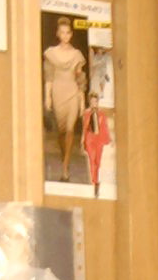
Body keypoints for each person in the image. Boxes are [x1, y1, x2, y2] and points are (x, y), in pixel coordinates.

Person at [43, 17, 85, 182]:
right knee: (61, 131)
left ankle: (65, 168)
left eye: (68, 33)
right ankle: (64, 156)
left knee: (69, 130)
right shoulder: (51, 53)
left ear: (71, 34)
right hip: (58, 92)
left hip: (72, 92)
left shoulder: (77, 55)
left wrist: (82, 101)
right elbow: (49, 77)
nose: (65, 35)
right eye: (62, 32)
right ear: (58, 34)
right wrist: (47, 96)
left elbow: (80, 78)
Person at [82, 90, 111, 196]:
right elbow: (84, 128)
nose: (93, 103)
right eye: (92, 101)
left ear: (97, 102)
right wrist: (83, 140)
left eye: (95, 101)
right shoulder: (86, 113)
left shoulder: (102, 114)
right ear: (89, 102)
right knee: (92, 160)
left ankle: (96, 180)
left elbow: (105, 126)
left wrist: (107, 139)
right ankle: (95, 182)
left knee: (97, 162)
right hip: (90, 139)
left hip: (99, 139)